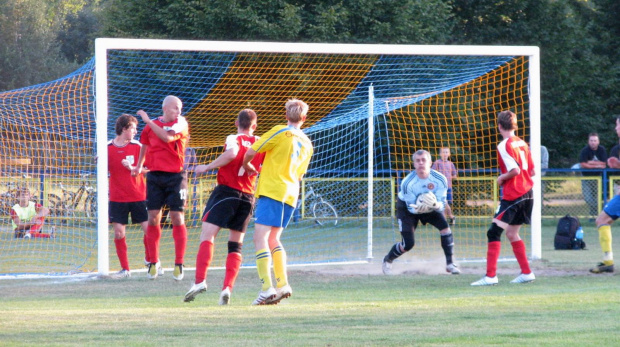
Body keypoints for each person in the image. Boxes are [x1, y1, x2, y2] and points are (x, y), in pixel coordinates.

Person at [184, 109, 265, 305]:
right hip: (247, 196)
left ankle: (200, 281)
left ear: (237, 123)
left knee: (207, 235)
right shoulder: (261, 143)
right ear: (254, 126)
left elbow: (232, 154)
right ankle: (227, 288)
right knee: (235, 244)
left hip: (227, 192)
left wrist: (207, 167)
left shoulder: (233, 138)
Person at [242, 99, 313, 305]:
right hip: (291, 193)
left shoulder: (280, 131)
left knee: (259, 238)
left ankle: (267, 289)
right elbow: (300, 174)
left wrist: (247, 165)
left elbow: (252, 151)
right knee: (274, 239)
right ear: (304, 118)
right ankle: (283, 285)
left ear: (286, 115)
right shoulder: (307, 143)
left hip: (273, 189)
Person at [471, 110, 536, 286]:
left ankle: (490, 276)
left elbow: (514, 170)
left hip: (515, 193)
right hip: (528, 193)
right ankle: (527, 273)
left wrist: (501, 178)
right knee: (512, 233)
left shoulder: (504, 145)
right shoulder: (522, 143)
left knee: (493, 232)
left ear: (499, 126)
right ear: (515, 125)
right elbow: (532, 171)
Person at [132, 95, 190, 281]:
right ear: (165, 108)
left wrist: (148, 120)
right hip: (155, 177)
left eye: (180, 108)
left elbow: (166, 138)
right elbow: (145, 145)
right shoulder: (150, 127)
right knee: (153, 218)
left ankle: (179, 263)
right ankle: (154, 262)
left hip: (176, 176)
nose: (179, 112)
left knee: (177, 217)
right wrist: (140, 165)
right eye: (175, 108)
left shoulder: (181, 123)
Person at [382, 150, 461, 276]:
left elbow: (441, 204)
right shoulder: (408, 183)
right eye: (417, 161)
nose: (421, 163)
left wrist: (435, 205)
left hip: (430, 207)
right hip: (407, 209)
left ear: (430, 162)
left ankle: (450, 264)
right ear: (414, 164)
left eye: (424, 160)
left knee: (445, 229)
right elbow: (412, 209)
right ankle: (388, 260)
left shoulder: (440, 179)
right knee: (408, 244)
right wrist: (421, 207)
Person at [107, 114, 151, 278]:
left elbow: (149, 168)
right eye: (132, 128)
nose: (135, 131)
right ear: (124, 129)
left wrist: (133, 167)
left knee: (149, 231)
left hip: (139, 196)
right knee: (119, 233)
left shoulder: (138, 146)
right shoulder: (107, 148)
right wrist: (99, 161)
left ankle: (150, 260)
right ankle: (125, 269)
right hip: (117, 198)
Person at [589, 116, 620, 274]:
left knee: (602, 220)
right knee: (602, 220)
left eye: (617, 125)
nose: (616, 128)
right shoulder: (617, 148)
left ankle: (608, 262)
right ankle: (607, 262)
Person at [579, 133, 607, 216]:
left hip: (598, 177)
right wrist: (597, 164)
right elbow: (583, 164)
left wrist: (590, 163)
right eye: (591, 140)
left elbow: (604, 164)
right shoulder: (584, 150)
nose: (593, 142)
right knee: (588, 198)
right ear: (588, 141)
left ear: (598, 141)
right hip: (586, 177)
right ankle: (597, 212)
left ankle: (595, 215)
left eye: (595, 140)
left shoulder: (602, 150)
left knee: (597, 197)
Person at [431, 147, 458, 225]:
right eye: (443, 152)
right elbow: (432, 173)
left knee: (445, 204)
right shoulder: (437, 163)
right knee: (443, 202)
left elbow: (455, 176)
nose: (445, 154)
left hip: (448, 186)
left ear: (449, 154)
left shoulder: (451, 164)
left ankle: (446, 220)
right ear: (440, 154)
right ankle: (451, 217)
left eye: (446, 152)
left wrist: (450, 177)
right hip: (439, 187)